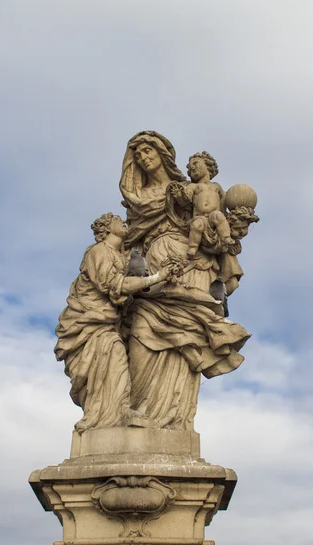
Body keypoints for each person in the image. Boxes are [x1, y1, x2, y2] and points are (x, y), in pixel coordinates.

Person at [120, 132, 250, 430]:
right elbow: (129, 241)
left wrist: (233, 226)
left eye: (149, 151)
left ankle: (173, 423)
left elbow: (210, 228)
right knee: (140, 334)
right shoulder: (136, 200)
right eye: (138, 155)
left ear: (164, 154)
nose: (144, 158)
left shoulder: (184, 190)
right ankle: (135, 409)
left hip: (189, 266)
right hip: (151, 273)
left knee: (186, 340)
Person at [54, 213, 174, 432]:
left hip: (108, 323)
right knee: (103, 364)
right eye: (118, 220)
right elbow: (111, 284)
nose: (124, 223)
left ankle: (116, 413)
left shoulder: (124, 257)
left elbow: (132, 286)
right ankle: (97, 416)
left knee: (115, 362)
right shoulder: (98, 251)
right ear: (107, 229)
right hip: (89, 322)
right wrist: (157, 278)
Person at [184, 152, 234, 257]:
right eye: (189, 168)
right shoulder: (194, 186)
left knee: (218, 216)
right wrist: (185, 195)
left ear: (208, 165)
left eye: (195, 163)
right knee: (197, 225)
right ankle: (193, 247)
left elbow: (224, 198)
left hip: (213, 216)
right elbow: (187, 194)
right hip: (200, 216)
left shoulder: (216, 186)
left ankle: (226, 237)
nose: (192, 168)